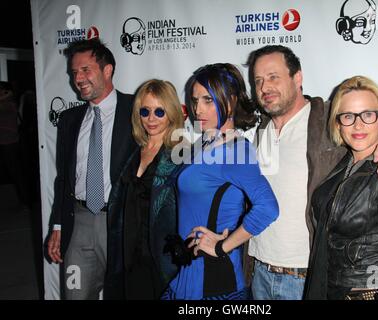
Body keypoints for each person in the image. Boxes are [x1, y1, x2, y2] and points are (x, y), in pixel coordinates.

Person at [244, 45, 378, 300]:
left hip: (306, 278)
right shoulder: (261, 130)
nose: (264, 87)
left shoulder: (327, 118)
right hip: (260, 272)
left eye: (273, 77)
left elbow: (368, 130)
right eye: (258, 80)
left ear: (298, 78)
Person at [162, 63, 279, 300]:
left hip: (214, 283)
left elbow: (268, 207)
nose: (198, 110)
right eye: (195, 101)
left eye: (208, 100)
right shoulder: (205, 144)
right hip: (188, 275)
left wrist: (220, 246)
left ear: (231, 101)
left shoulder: (236, 151)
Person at [304, 76, 378, 300]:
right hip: (328, 290)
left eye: (367, 115)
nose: (358, 125)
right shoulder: (341, 164)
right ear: (338, 123)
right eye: (348, 116)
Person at [46, 38, 137, 299]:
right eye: (74, 72)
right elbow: (63, 178)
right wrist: (58, 225)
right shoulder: (69, 120)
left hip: (120, 223)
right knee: (74, 294)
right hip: (79, 224)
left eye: (86, 70)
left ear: (107, 71)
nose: (79, 78)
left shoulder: (137, 111)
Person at [104, 79, 185, 299]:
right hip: (128, 252)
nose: (151, 119)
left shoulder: (181, 153)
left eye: (160, 112)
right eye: (145, 111)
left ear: (171, 113)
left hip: (161, 258)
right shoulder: (134, 150)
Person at [0, 81, 30, 211]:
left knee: (17, 174)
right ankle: (22, 201)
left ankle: (25, 202)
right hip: (5, 143)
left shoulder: (10, 104)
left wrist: (6, 96)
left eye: (3, 90)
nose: (1, 92)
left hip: (11, 143)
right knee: (14, 174)